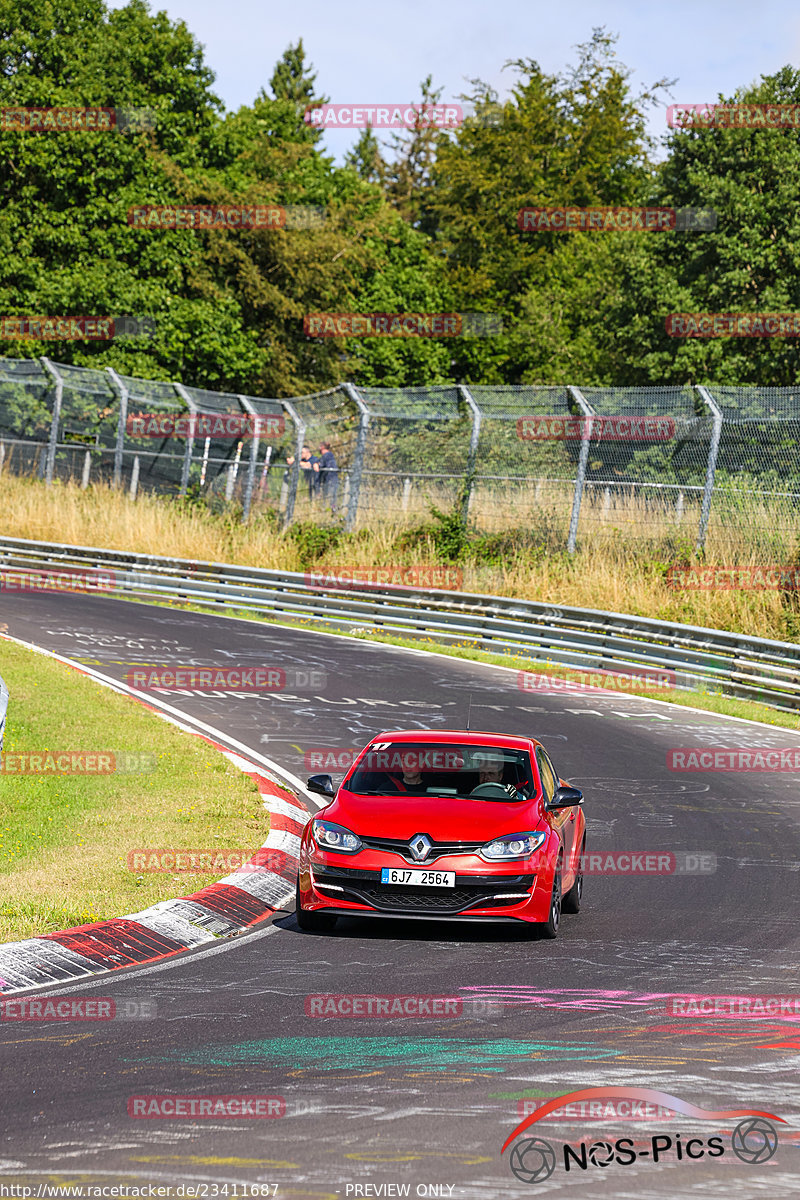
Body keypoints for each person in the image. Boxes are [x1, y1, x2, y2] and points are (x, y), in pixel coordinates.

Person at [317, 441, 338, 513]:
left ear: (322, 447)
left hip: (330, 479)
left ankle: (331, 511)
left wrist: (316, 464)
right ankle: (327, 510)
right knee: (328, 497)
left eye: (319, 447)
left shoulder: (327, 455)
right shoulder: (328, 456)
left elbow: (320, 465)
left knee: (330, 498)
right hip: (329, 479)